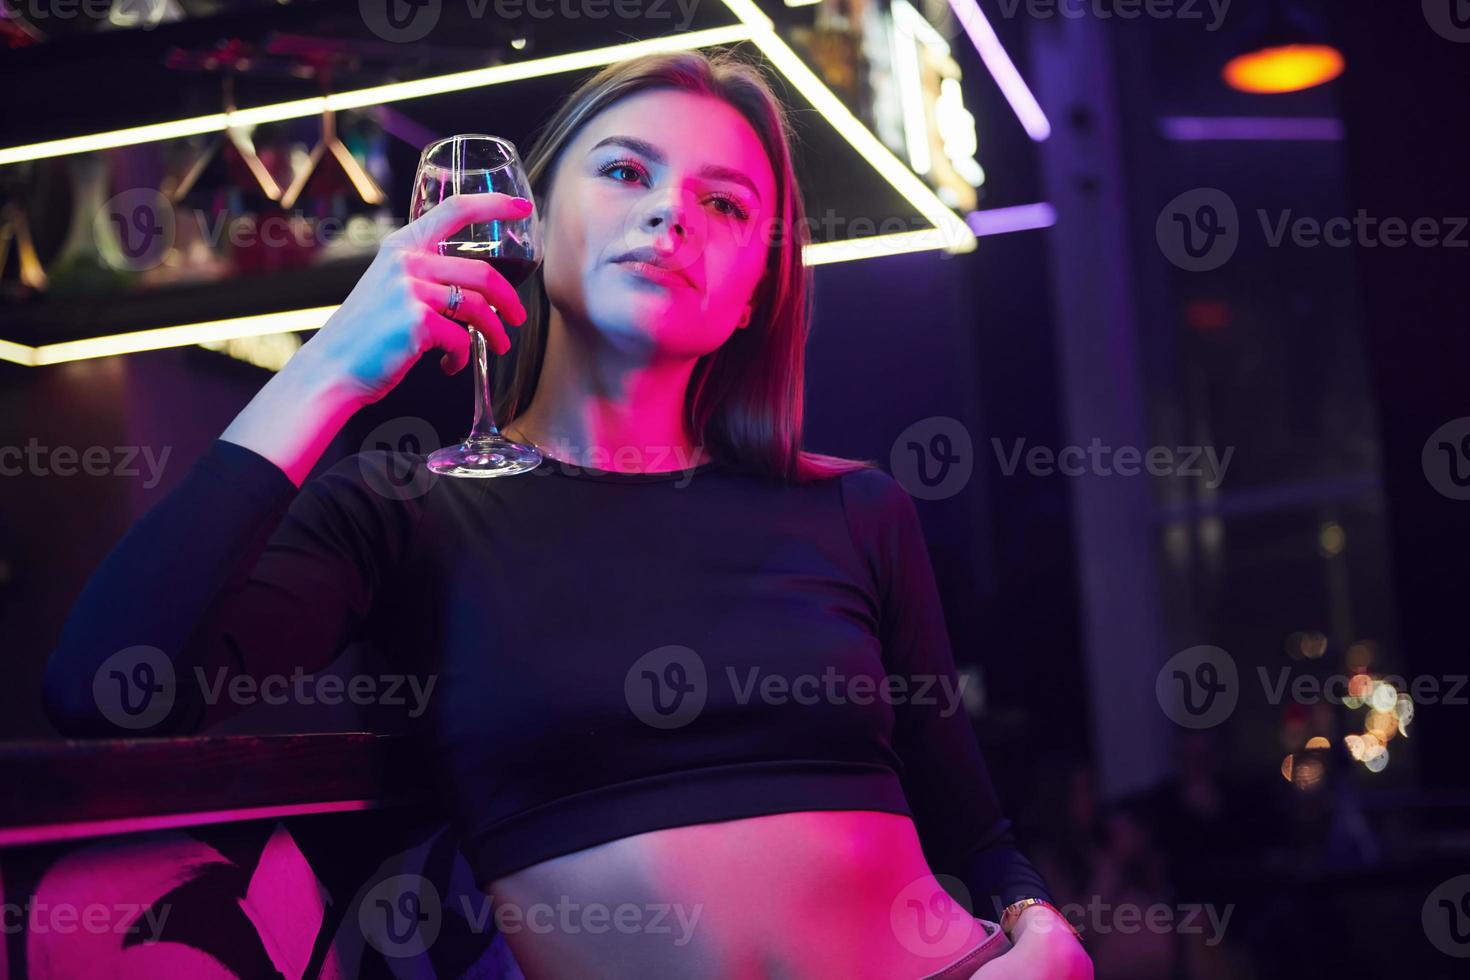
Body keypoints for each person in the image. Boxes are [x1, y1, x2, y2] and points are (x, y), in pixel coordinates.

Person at [44, 49, 1091, 980]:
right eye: (626, 171)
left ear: (755, 289)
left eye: (726, 204)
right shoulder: (410, 505)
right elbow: (108, 689)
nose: (672, 213)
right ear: (528, 221)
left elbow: (974, 822)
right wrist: (327, 368)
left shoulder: (855, 507)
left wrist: (1041, 929)